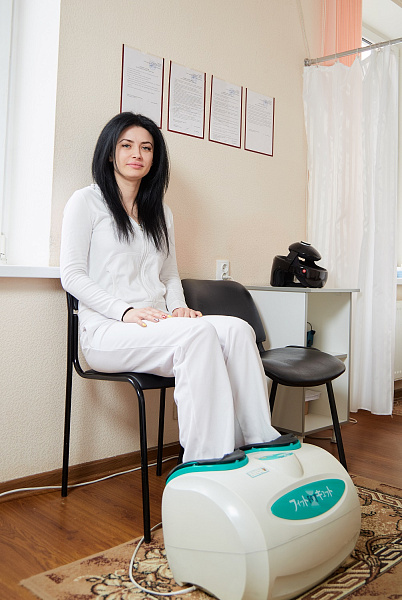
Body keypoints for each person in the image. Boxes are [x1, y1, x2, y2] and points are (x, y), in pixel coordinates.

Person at [60, 112, 279, 463]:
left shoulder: (160, 212)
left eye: (146, 147)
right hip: (107, 330)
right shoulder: (85, 202)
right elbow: (71, 275)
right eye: (126, 145)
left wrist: (178, 306)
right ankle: (207, 456)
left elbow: (169, 274)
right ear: (110, 153)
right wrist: (125, 312)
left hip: (160, 323)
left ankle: (259, 439)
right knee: (198, 336)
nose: (137, 153)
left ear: (154, 158)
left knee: (239, 330)